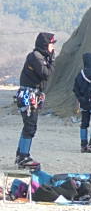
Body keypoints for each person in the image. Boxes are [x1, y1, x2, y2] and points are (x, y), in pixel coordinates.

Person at [14, 32, 56, 168]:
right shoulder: (36, 56)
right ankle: (24, 157)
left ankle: (21, 155)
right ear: (45, 44)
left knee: (29, 126)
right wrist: (52, 59)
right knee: (30, 126)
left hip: (32, 95)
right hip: (28, 95)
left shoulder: (39, 57)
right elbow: (46, 74)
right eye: (51, 44)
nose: (53, 47)